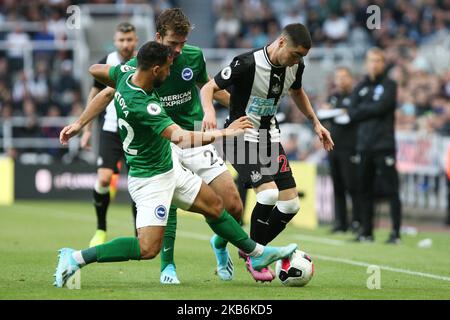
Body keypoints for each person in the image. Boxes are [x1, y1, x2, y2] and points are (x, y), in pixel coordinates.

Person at [54, 41, 297, 288]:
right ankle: (75, 257)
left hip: (169, 167)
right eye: (168, 69)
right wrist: (226, 132)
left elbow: (96, 70)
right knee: (147, 248)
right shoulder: (144, 105)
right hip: (150, 180)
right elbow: (181, 138)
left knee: (214, 206)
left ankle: (257, 253)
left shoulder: (125, 74)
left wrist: (78, 123)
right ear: (156, 70)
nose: (171, 73)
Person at [82, 8, 243, 284]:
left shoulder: (194, 56)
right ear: (158, 38)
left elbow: (209, 87)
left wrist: (243, 112)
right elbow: (108, 90)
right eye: (172, 44)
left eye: (182, 43)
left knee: (234, 205)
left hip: (193, 134)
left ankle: (220, 244)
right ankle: (168, 266)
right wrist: (80, 123)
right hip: (165, 138)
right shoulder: (142, 65)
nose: (179, 50)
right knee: (167, 201)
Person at [200, 23, 334, 282]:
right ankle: (255, 256)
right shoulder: (246, 63)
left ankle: (242, 245)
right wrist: (209, 112)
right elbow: (208, 88)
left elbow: (297, 91)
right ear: (281, 42)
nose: (297, 60)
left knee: (290, 204)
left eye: (302, 57)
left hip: (269, 138)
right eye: (295, 54)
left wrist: (316, 123)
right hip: (238, 137)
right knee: (270, 193)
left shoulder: (295, 65)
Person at [332, 48, 402, 244]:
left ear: (383, 63)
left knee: (391, 189)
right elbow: (352, 112)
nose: (375, 64)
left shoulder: (390, 85)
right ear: (366, 63)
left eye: (378, 61)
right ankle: (366, 231)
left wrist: (363, 109)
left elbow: (381, 107)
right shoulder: (361, 86)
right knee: (364, 188)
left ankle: (395, 232)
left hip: (383, 144)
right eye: (371, 60)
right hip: (363, 145)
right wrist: (368, 109)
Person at [80, 22, 139, 247]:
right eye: (122, 40)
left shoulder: (144, 62)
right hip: (112, 130)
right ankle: (101, 229)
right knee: (104, 178)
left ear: (135, 40)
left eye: (129, 39)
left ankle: (139, 234)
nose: (125, 44)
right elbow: (94, 95)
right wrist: (86, 130)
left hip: (136, 132)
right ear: (115, 41)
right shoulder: (107, 62)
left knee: (137, 183)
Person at [324, 67, 361, 233]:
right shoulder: (333, 97)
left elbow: (350, 117)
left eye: (344, 77)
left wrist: (334, 113)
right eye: (338, 77)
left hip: (350, 147)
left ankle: (357, 221)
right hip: (333, 147)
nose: (341, 80)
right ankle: (341, 222)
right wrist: (336, 113)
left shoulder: (355, 96)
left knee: (352, 185)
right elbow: (323, 113)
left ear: (350, 79)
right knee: (337, 186)